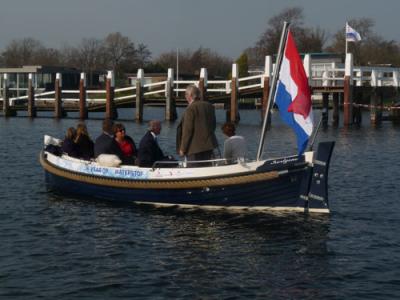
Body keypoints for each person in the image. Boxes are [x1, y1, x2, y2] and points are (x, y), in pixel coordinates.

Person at [176, 85, 218, 164]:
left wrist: (182, 148)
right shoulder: (209, 106)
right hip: (209, 146)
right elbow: (213, 125)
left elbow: (187, 131)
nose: (185, 96)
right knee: (207, 170)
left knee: (193, 171)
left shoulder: (190, 108)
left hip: (194, 149)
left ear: (190, 95)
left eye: (186, 94)